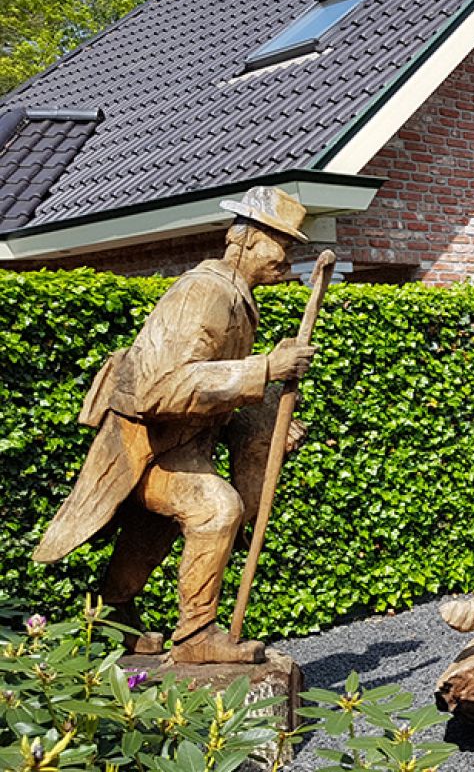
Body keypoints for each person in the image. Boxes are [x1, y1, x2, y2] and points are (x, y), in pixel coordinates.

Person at [32, 186, 317, 664]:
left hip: (180, 442)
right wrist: (265, 368)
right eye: (280, 243)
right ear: (243, 239)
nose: (286, 257)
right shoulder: (204, 292)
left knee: (153, 530)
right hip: (144, 444)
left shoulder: (237, 299)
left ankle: (114, 616)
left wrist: (265, 423)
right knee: (216, 508)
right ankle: (196, 636)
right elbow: (161, 387)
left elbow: (212, 395)